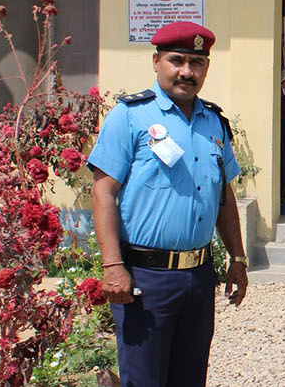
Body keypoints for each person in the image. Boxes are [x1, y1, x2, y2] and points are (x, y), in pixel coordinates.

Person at [86, 21, 250, 387]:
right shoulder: (130, 116)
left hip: (199, 276)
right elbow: (103, 192)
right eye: (177, 60)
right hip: (146, 278)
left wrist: (237, 258)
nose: (187, 72)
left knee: (190, 378)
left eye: (197, 63)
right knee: (144, 379)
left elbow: (223, 197)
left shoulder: (214, 122)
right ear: (156, 61)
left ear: (206, 67)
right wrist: (112, 265)